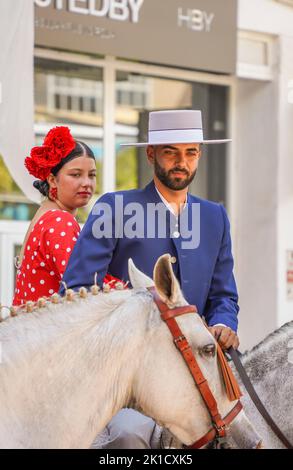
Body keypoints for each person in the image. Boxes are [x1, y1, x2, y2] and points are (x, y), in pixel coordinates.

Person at [60, 109, 240, 448]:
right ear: (151, 154)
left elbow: (224, 296)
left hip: (198, 375)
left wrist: (223, 323)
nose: (181, 162)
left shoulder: (215, 217)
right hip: (129, 379)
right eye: (170, 151)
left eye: (190, 152)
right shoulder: (114, 207)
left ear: (199, 155)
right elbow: (75, 291)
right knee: (130, 437)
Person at [13, 126, 122, 306]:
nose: (86, 183)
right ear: (52, 180)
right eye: (76, 175)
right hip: (48, 330)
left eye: (92, 175)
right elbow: (84, 286)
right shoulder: (59, 221)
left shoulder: (44, 214)